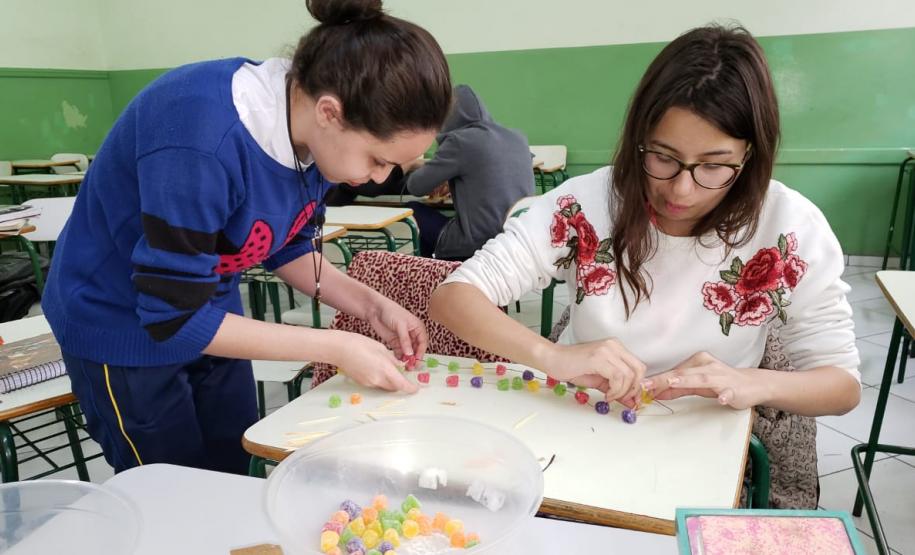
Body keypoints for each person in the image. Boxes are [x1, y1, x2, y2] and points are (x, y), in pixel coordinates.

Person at [430, 25, 860, 508]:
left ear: (750, 155)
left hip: (701, 443)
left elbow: (842, 385)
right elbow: (453, 296)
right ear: (639, 140)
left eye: (714, 165)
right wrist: (551, 356)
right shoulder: (587, 204)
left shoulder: (789, 226)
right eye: (662, 157)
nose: (681, 190)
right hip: (579, 422)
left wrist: (751, 382)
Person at [41, 0, 452, 474]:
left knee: (233, 463)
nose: (380, 178)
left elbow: (287, 246)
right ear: (329, 112)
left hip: (209, 310)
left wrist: (372, 305)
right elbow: (174, 318)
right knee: (171, 484)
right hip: (119, 323)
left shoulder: (313, 136)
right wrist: (335, 346)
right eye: (378, 160)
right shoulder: (203, 136)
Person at [402, 85, 535, 260]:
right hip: (518, 239)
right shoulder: (517, 137)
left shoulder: (460, 140)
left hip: (480, 243)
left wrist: (410, 163)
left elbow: (416, 186)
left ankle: (434, 271)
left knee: (411, 210)